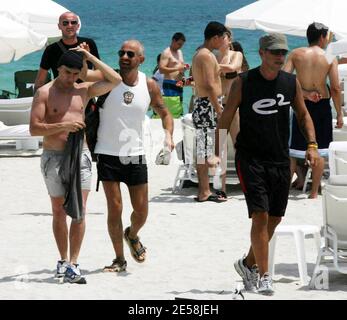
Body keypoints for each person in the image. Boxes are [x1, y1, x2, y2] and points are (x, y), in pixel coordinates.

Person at [211, 33, 319, 295]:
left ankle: (247, 263)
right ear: (261, 53)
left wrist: (312, 145)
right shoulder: (244, 83)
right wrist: (216, 153)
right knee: (259, 215)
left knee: (275, 217)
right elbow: (225, 119)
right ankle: (264, 275)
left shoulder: (290, 83)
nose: (280, 57)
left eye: (283, 52)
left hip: (280, 159)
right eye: (274, 52)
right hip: (251, 158)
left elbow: (303, 115)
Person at [29, 50, 122, 284]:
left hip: (80, 155)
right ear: (58, 69)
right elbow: (34, 128)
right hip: (54, 156)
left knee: (79, 210)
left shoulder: (84, 90)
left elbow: (116, 80)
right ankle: (62, 259)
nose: (71, 78)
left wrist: (89, 59)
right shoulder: (44, 93)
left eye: (75, 73)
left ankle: (74, 263)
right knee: (59, 211)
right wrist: (63, 125)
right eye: (67, 73)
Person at [87, 40, 174, 272]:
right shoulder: (107, 80)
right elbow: (79, 77)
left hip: (134, 153)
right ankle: (119, 259)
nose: (124, 57)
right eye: (121, 53)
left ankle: (132, 234)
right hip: (107, 152)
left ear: (141, 59)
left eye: (130, 54)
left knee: (142, 211)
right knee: (115, 209)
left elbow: (164, 112)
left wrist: (168, 135)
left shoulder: (149, 85)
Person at [284, 22, 344, 198]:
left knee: (294, 151)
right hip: (322, 105)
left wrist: (304, 94)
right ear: (322, 37)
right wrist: (339, 113)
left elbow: (285, 80)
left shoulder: (296, 54)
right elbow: (334, 88)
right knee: (320, 149)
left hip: (300, 104)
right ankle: (313, 193)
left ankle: (283, 190)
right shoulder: (329, 57)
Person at [191, 21, 228, 203]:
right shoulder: (205, 55)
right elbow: (209, 84)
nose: (223, 41)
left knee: (203, 149)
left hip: (205, 103)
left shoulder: (202, 53)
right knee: (204, 150)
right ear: (215, 37)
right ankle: (204, 191)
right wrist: (219, 109)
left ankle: (204, 190)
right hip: (207, 105)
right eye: (222, 38)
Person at [34, 11, 99, 90]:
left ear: (78, 26)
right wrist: (37, 100)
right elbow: (40, 81)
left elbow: (100, 73)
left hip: (86, 96)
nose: (70, 25)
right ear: (59, 26)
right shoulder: (51, 49)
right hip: (61, 96)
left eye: (73, 22)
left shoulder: (88, 44)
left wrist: (88, 57)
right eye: (65, 23)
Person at [215, 30, 243, 199]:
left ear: (229, 38)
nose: (220, 40)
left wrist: (213, 66)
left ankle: (246, 182)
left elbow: (233, 68)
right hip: (218, 105)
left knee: (239, 145)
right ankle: (221, 188)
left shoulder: (236, 54)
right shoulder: (214, 57)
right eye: (217, 37)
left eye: (223, 37)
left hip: (234, 106)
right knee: (220, 148)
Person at [159, 32, 189, 118]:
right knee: (171, 109)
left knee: (179, 108)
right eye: (179, 44)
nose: (180, 46)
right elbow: (161, 69)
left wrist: (184, 67)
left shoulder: (179, 52)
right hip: (169, 84)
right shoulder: (166, 53)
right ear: (173, 40)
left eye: (182, 45)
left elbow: (180, 65)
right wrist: (177, 69)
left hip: (180, 83)